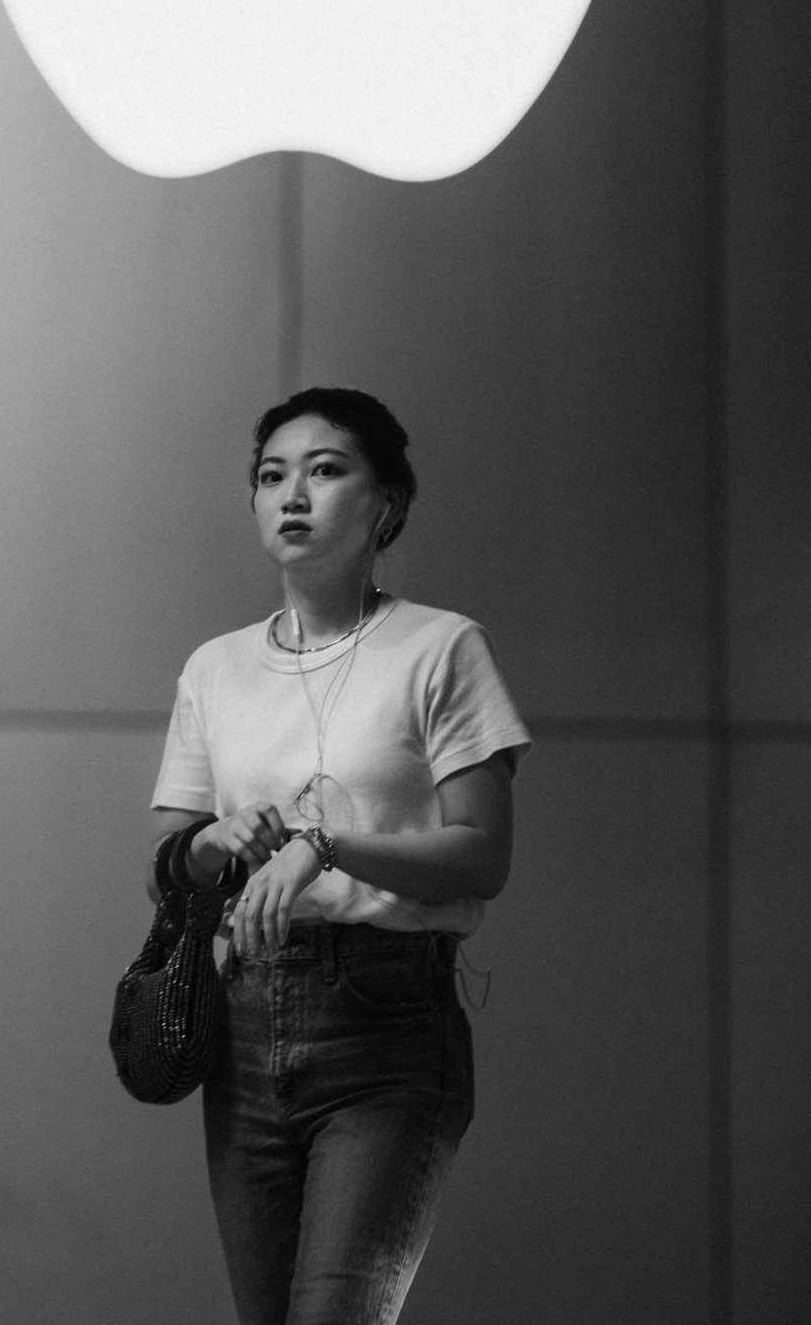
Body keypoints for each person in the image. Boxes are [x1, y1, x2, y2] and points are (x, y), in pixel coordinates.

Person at [149, 387, 530, 1325]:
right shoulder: (215, 667)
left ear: (387, 502)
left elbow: (482, 857)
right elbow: (167, 863)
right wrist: (211, 844)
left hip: (385, 1020)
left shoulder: (441, 646)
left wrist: (326, 845)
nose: (293, 494)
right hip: (240, 1015)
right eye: (272, 475)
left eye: (325, 470)